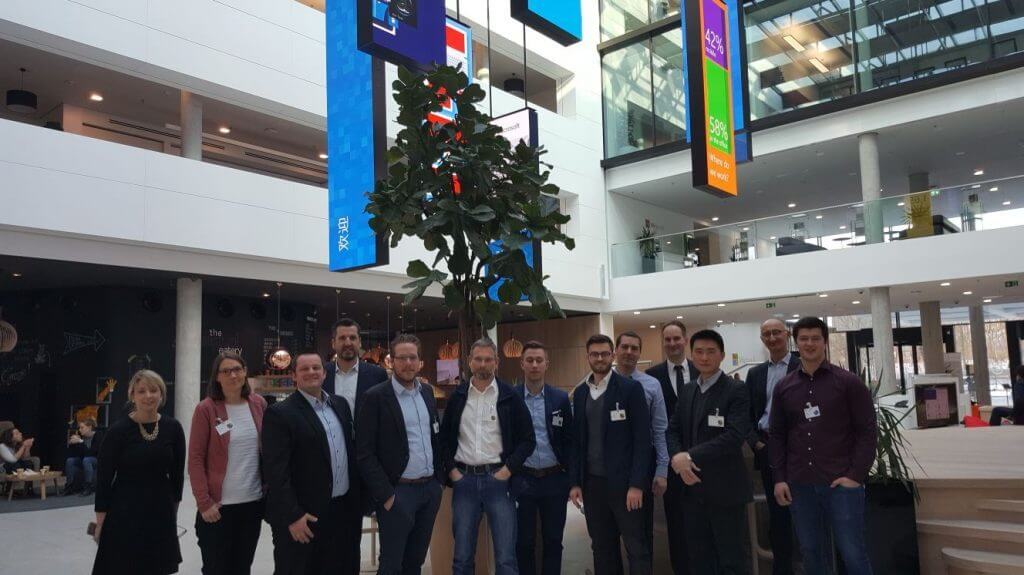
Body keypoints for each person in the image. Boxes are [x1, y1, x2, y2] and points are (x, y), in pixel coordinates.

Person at [770, 317, 876, 575]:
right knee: (811, 551)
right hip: (800, 484)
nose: (809, 344)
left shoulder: (848, 382)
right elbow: (778, 435)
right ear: (796, 343)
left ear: (825, 342)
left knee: (852, 551)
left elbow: (867, 432)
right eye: (804, 339)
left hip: (841, 483)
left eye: (815, 338)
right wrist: (780, 478)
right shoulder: (784, 387)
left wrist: (855, 476)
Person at [440, 338, 536, 575]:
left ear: (496, 362)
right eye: (478, 359)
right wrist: (452, 471)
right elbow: (443, 440)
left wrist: (508, 470)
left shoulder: (510, 396)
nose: (483, 364)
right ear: (469, 362)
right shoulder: (458, 396)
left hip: (499, 482)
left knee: (506, 558)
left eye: (488, 359)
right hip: (464, 482)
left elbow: (528, 440)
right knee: (462, 557)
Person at [263, 351, 361, 575]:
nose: (311, 372)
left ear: (325, 373)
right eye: (304, 369)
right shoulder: (279, 414)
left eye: (316, 368)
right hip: (304, 515)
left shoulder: (340, 405)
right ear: (294, 376)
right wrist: (293, 515)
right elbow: (276, 472)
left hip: (342, 511)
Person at [666, 329, 752, 575]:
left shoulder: (736, 389)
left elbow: (734, 436)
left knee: (731, 560)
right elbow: (672, 430)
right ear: (691, 355)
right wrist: (677, 458)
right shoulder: (688, 390)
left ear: (722, 355)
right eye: (699, 352)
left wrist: (689, 456)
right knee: (699, 559)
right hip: (691, 489)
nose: (704, 357)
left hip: (725, 491)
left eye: (711, 352)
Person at [357, 333, 444, 575]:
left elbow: (435, 437)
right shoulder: (375, 397)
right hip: (398, 493)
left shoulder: (427, 393)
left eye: (412, 358)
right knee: (391, 564)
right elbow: (364, 453)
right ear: (391, 361)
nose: (408, 363)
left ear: (420, 362)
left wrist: (438, 482)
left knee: (415, 561)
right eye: (402, 358)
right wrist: (386, 495)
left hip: (429, 491)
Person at [569, 334, 652, 575]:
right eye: (594, 354)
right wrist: (575, 482)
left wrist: (636, 484)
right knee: (602, 548)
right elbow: (577, 442)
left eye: (604, 354)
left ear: (612, 355)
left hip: (626, 486)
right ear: (587, 357)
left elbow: (642, 441)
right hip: (593, 486)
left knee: (636, 548)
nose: (600, 358)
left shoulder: (630, 389)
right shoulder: (581, 393)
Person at [92, 370, 186, 575]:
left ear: (161, 394)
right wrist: (100, 523)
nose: (148, 396)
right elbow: (103, 480)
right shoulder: (118, 431)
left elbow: (177, 477)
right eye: (141, 391)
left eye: (153, 390)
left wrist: (172, 514)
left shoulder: (173, 428)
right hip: (124, 511)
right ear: (132, 395)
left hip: (160, 511)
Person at [189, 352, 268, 575]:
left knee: (242, 568)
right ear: (217, 377)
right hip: (218, 508)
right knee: (216, 569)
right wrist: (204, 503)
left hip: (251, 504)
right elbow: (195, 459)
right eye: (226, 371)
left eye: (237, 369)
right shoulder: (206, 409)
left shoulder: (258, 404)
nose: (233, 375)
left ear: (245, 373)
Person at [513, 340, 573, 575]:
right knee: (523, 543)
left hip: (554, 479)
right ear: (522, 364)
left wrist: (571, 478)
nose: (535, 365)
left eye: (539, 360)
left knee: (553, 541)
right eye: (530, 360)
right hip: (523, 479)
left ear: (547, 364)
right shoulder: (511, 398)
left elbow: (569, 440)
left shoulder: (560, 399)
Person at [746, 319, 799, 575]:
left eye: (776, 332)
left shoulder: (802, 366)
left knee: (806, 512)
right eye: (766, 334)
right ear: (762, 339)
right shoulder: (755, 374)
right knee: (778, 516)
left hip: (801, 450)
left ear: (787, 335)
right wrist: (757, 444)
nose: (771, 337)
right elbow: (746, 415)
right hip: (767, 448)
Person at [646, 320, 698, 575]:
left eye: (676, 338)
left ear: (685, 340)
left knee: (703, 523)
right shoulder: (651, 376)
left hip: (701, 460)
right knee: (676, 524)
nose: (672, 343)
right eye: (667, 339)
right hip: (668, 462)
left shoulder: (702, 370)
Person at [613, 331, 669, 557]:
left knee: (641, 535)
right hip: (609, 471)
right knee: (608, 536)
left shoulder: (652, 385)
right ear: (616, 350)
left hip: (642, 467)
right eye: (624, 347)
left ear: (639, 353)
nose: (629, 352)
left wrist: (662, 469)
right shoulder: (600, 384)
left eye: (634, 348)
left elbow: (660, 430)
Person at [323, 318, 389, 417]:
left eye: (352, 338)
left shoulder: (378, 375)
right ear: (333, 343)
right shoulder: (320, 374)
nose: (348, 343)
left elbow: (384, 413)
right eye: (342, 338)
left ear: (360, 342)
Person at [64, 418, 104, 496]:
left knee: (87, 460)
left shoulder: (98, 436)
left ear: (89, 427)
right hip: (84, 459)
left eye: (82, 427)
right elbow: (75, 454)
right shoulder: (80, 437)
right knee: (70, 460)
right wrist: (72, 444)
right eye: (79, 428)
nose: (80, 430)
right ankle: (69, 486)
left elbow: (91, 453)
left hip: (96, 460)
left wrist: (80, 442)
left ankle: (88, 487)